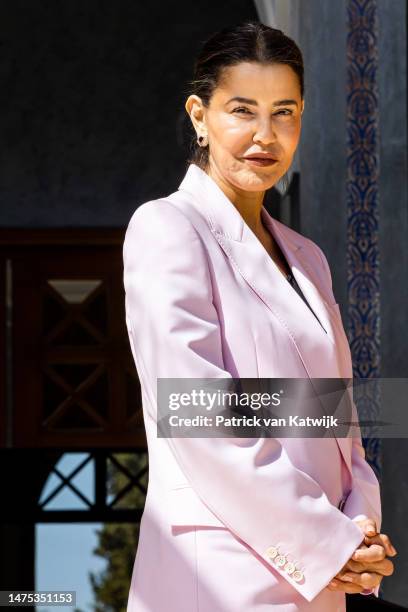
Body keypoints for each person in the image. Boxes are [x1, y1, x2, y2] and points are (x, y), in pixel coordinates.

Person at [123, 21, 396, 612]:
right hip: (219, 576)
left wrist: (359, 527)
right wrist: (327, 543)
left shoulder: (307, 258)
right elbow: (197, 415)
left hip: (321, 578)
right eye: (242, 110)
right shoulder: (168, 228)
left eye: (285, 112)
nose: (264, 136)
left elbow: (335, 418)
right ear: (199, 115)